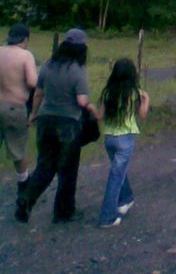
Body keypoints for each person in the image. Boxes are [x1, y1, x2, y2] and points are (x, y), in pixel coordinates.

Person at [15, 28, 96, 225]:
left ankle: (26, 201)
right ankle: (63, 212)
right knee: (67, 170)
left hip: (45, 120)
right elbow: (81, 100)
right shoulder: (78, 70)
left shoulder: (49, 66)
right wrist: (93, 109)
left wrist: (33, 115)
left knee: (44, 165)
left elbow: (38, 93)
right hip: (68, 124)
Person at [97, 58, 149, 228]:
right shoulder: (135, 93)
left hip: (109, 138)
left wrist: (90, 109)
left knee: (118, 171)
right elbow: (142, 114)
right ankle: (108, 216)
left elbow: (100, 116)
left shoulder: (107, 92)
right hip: (126, 138)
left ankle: (126, 199)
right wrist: (146, 100)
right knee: (116, 177)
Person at [0, 23, 38, 202]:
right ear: (25, 39)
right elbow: (32, 82)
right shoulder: (25, 56)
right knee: (18, 151)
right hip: (15, 107)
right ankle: (23, 188)